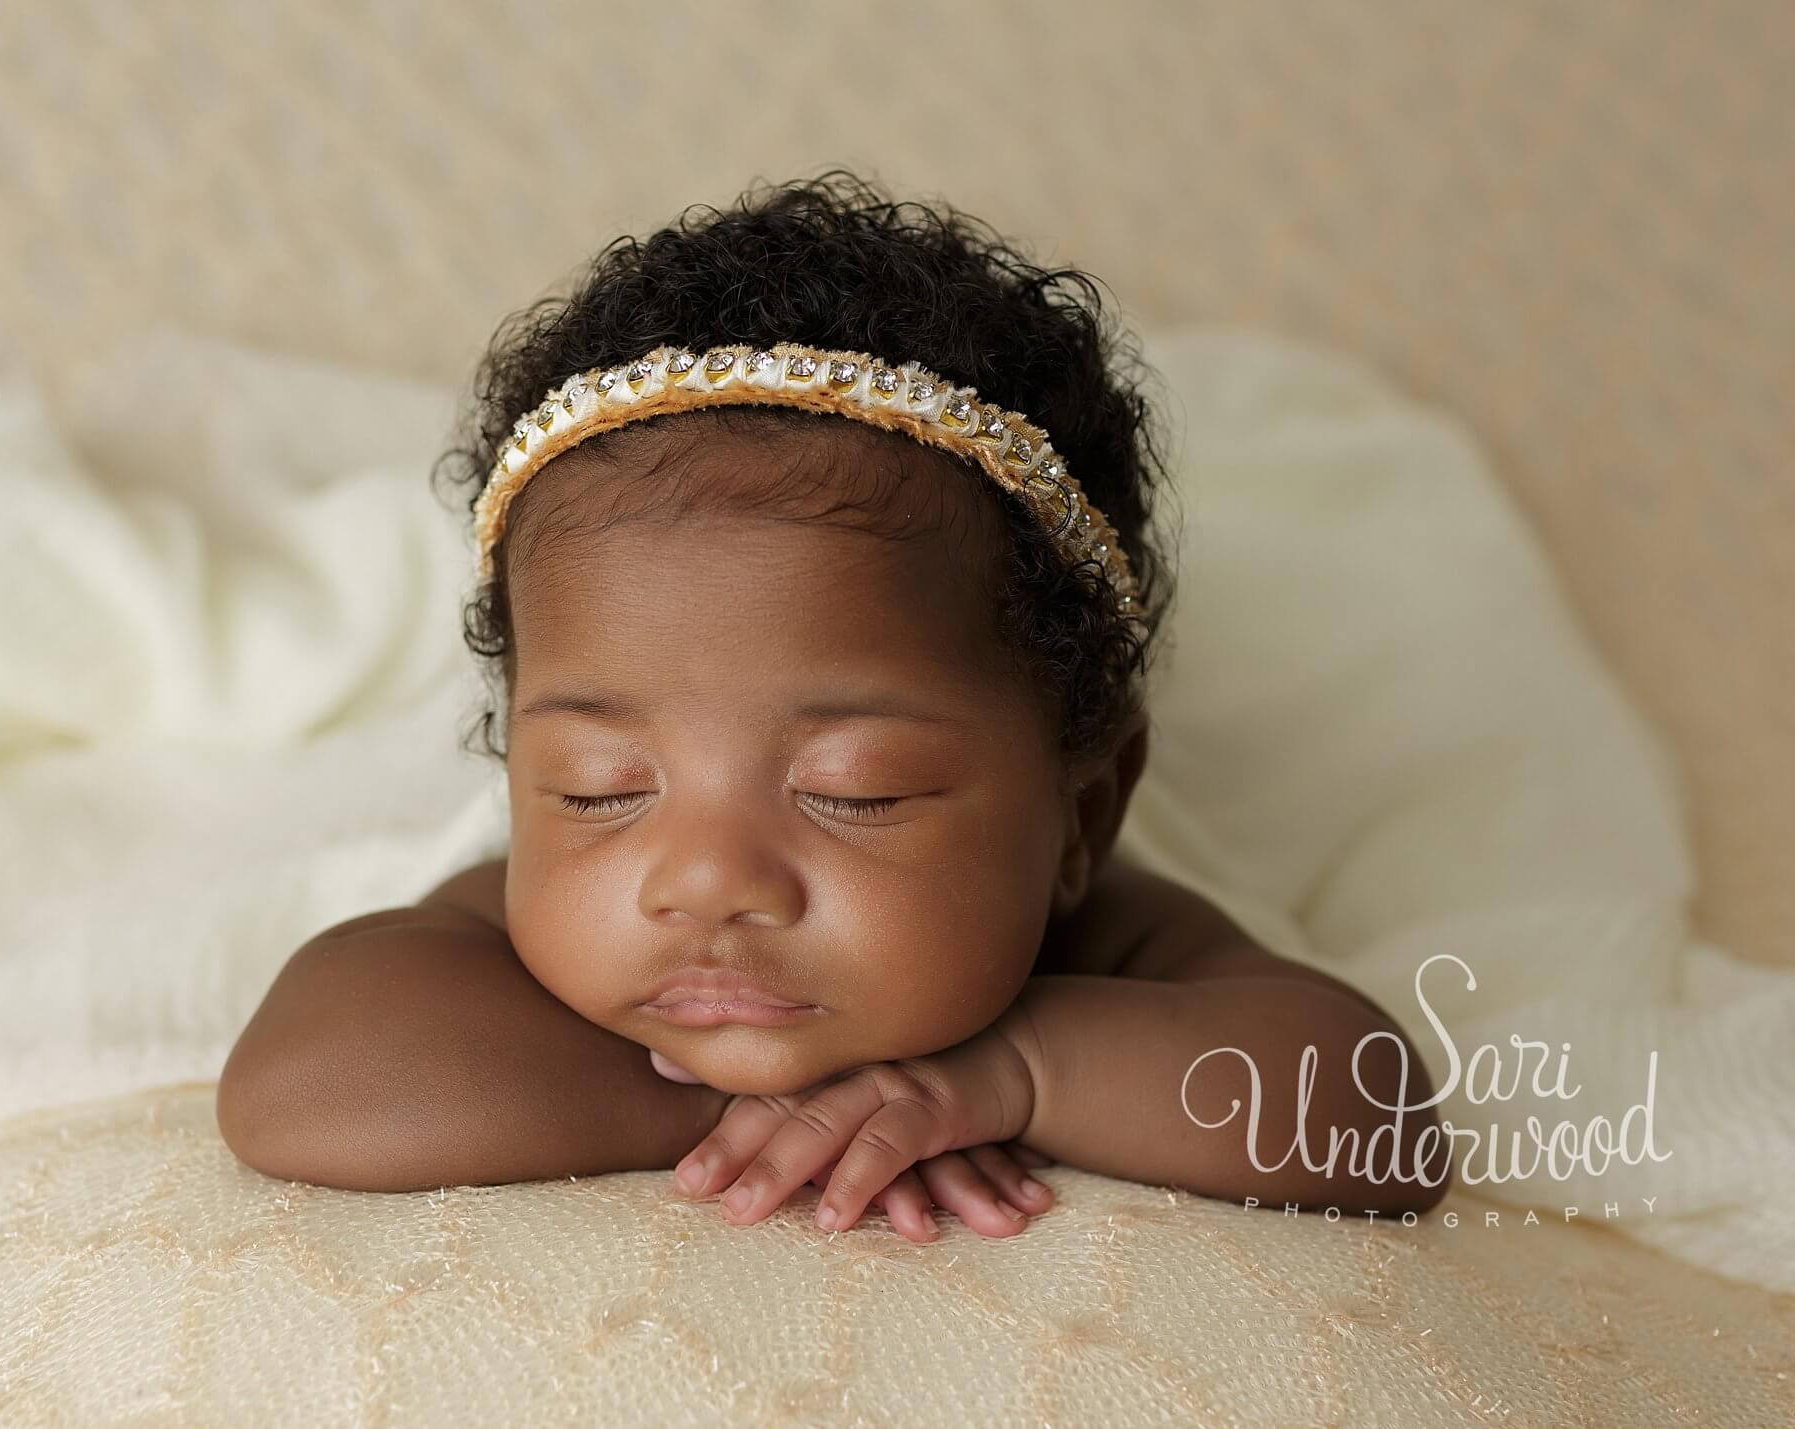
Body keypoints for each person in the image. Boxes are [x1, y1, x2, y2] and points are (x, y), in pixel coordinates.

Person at [218, 169, 1448, 1243]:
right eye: (599, 785)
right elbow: (305, 1084)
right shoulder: (513, 929)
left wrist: (1017, 1069)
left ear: (1081, 813)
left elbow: (1373, 1112)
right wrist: (754, 1111)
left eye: (850, 788)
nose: (702, 877)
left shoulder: (1100, 936)